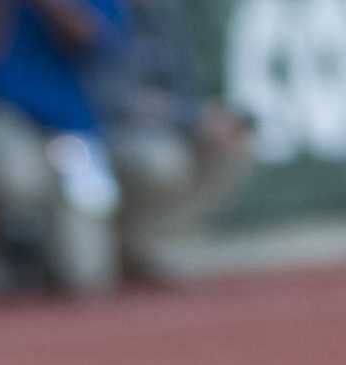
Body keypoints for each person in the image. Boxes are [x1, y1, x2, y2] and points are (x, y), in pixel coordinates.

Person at [0, 0, 130, 298]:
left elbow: (94, 43)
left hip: (70, 130)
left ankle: (35, 262)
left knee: (88, 276)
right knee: (17, 177)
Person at [97, 0, 254, 285]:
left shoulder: (165, 13)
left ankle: (150, 243)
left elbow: (183, 86)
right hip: (103, 137)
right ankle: (122, 244)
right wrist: (192, 118)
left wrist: (208, 119)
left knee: (232, 144)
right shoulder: (100, 10)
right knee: (163, 161)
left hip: (165, 130)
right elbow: (106, 98)